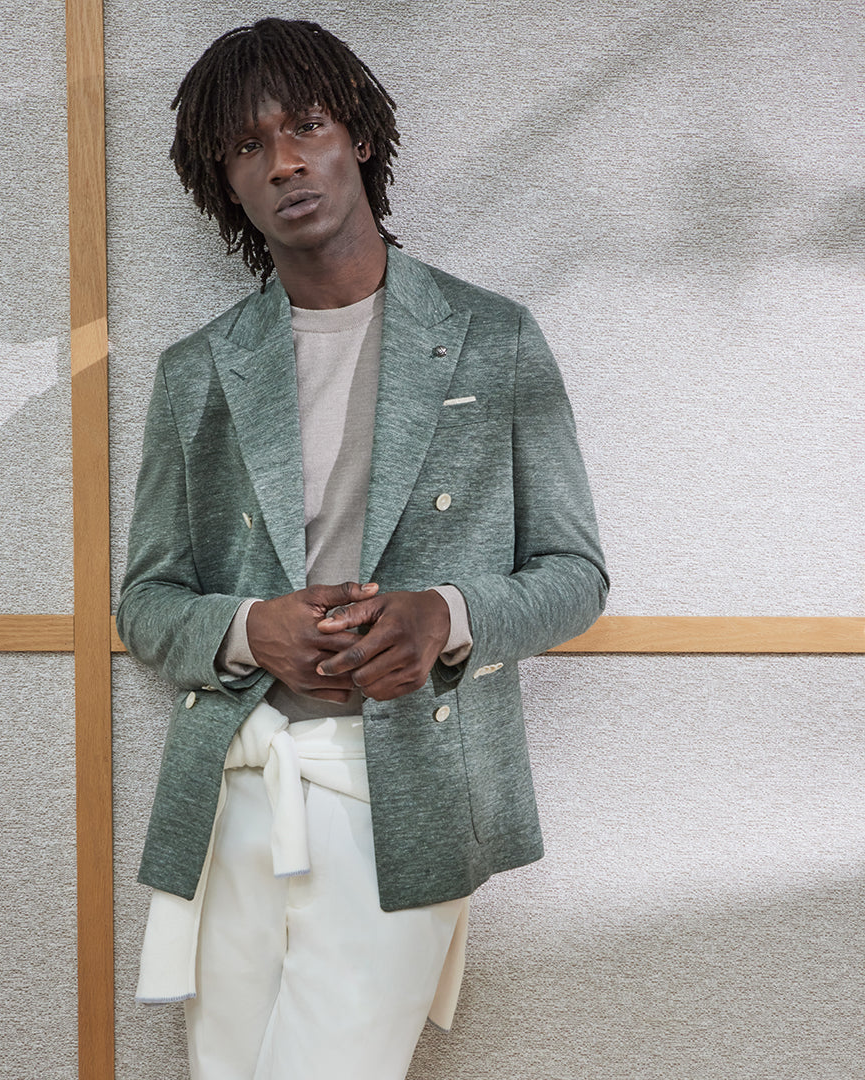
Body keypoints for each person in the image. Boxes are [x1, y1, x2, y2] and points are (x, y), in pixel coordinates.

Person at [117, 17, 608, 1080]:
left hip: (411, 787)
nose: (284, 162)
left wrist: (447, 616)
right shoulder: (198, 371)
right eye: (247, 146)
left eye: (307, 125)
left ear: (360, 137)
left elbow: (575, 574)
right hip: (236, 787)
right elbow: (146, 599)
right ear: (225, 184)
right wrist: (250, 629)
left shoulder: (493, 338)